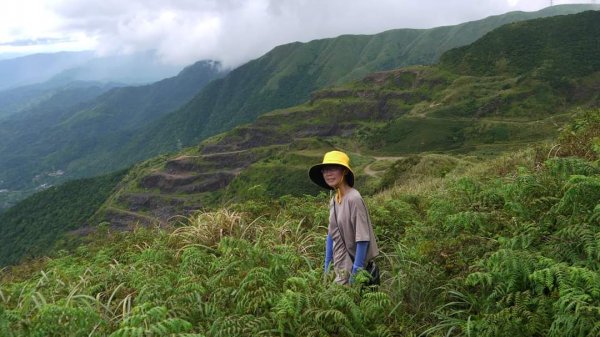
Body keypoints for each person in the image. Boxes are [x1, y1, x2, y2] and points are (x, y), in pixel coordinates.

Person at [308, 150, 379, 285]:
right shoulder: (334, 200)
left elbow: (362, 239)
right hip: (339, 268)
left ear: (344, 171)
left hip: (353, 270)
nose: (328, 173)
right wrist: (327, 266)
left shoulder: (354, 198)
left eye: (333, 168)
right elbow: (331, 235)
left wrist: (356, 273)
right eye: (325, 170)